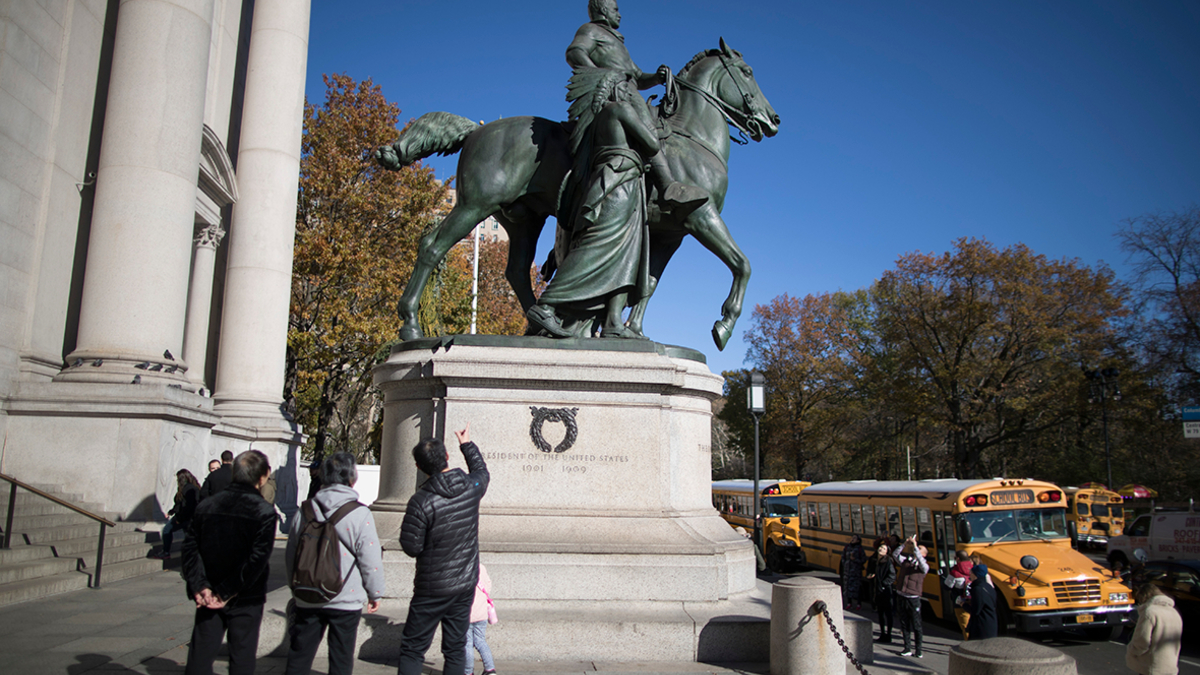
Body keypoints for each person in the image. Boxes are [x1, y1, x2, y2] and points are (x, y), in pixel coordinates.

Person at [527, 72, 658, 339]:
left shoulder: (597, 120)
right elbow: (653, 143)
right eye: (628, 89)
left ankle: (613, 321)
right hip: (618, 183)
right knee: (597, 247)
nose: (632, 95)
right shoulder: (620, 109)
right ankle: (547, 304)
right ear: (617, 90)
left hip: (615, 182)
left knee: (627, 254)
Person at [563, 0, 706, 214]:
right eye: (615, 9)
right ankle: (667, 185)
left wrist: (657, 78)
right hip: (618, 90)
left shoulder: (617, 42)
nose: (619, 15)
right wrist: (602, 77)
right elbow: (574, 53)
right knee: (648, 127)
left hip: (629, 87)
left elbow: (637, 76)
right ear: (603, 10)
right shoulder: (590, 30)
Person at [397, 424, 490, 675]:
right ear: (447, 456)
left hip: (432, 587)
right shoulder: (471, 488)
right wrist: (467, 444)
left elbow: (411, 547)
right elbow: (482, 472)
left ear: (419, 467)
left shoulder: (421, 501)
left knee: (413, 649)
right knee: (456, 646)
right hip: (463, 584)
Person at [283, 452, 385, 675]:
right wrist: (375, 592)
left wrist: (294, 585)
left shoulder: (305, 509)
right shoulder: (359, 513)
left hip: (307, 594)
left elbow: (292, 551)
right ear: (352, 478)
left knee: (299, 654)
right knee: (341, 657)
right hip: (345, 597)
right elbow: (370, 558)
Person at [182, 450, 276, 675]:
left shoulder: (207, 506)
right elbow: (256, 560)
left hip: (208, 591)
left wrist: (200, 585)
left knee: (200, 654)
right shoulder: (263, 511)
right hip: (244, 596)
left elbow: (190, 550)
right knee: (242, 656)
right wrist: (224, 592)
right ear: (262, 477)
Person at [1126, 583, 1183, 675]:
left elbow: (1142, 641)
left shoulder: (1149, 612)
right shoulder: (1174, 612)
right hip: (1170, 665)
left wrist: (1131, 651)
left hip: (1151, 665)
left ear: (1144, 597)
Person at [893, 535, 929, 658]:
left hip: (913, 598)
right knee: (904, 623)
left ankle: (918, 649)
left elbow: (921, 561)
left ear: (923, 554)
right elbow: (895, 555)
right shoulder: (906, 561)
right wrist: (904, 544)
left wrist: (914, 547)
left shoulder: (923, 566)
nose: (916, 549)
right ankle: (907, 647)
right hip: (902, 595)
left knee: (916, 624)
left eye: (920, 549)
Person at [156, 469, 201, 559]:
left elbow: (184, 506)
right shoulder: (194, 487)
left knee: (167, 530)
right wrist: (171, 512)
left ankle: (166, 551)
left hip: (184, 517)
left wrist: (179, 519)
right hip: (190, 517)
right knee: (189, 537)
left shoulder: (186, 489)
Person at [464, 563, 497, 675]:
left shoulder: (462, 566)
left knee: (467, 643)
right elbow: (488, 585)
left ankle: (468, 671)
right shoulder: (480, 566)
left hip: (467, 613)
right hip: (482, 612)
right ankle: (490, 669)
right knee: (481, 640)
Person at [870, 543, 896, 644]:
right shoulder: (874, 560)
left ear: (887, 552)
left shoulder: (888, 561)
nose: (881, 549)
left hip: (885, 591)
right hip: (877, 590)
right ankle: (882, 634)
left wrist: (884, 584)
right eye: (880, 547)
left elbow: (892, 575)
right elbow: (870, 570)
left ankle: (888, 634)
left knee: (888, 614)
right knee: (880, 614)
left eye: (883, 548)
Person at [967, 562, 998, 640]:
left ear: (975, 575)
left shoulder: (978, 589)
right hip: (991, 623)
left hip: (982, 626)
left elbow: (975, 610)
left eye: (971, 573)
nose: (970, 575)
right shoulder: (988, 586)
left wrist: (962, 604)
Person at [947, 550, 973, 640]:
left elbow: (947, 586)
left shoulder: (954, 572)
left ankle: (970, 646)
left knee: (965, 626)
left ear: (957, 559)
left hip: (960, 603)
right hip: (974, 601)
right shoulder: (974, 570)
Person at [841, 534, 866, 611]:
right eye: (852, 537)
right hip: (847, 571)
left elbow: (863, 559)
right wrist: (845, 564)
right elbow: (843, 557)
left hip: (856, 571)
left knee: (857, 588)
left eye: (855, 538)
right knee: (847, 587)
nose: (852, 539)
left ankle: (858, 603)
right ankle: (849, 603)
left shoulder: (859, 549)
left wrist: (855, 560)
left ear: (858, 540)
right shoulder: (847, 547)